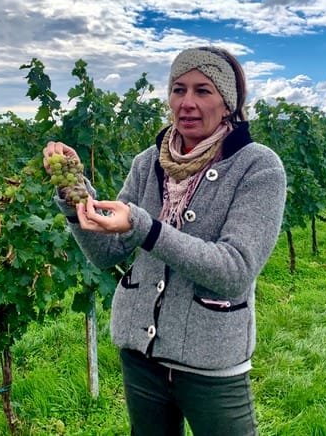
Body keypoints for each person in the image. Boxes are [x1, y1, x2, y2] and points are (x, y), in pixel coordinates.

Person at [43, 46, 286, 436]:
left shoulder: (257, 166)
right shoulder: (148, 162)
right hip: (142, 357)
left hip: (211, 362)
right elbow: (107, 253)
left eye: (203, 90)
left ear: (227, 103)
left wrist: (147, 228)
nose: (187, 102)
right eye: (178, 89)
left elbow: (234, 270)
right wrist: (75, 192)